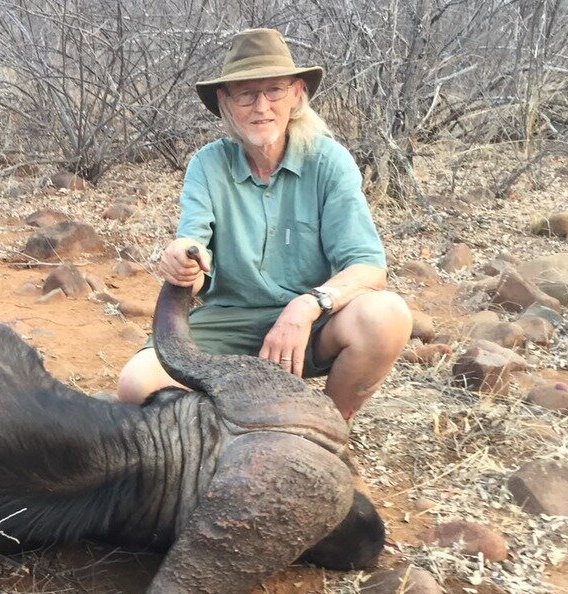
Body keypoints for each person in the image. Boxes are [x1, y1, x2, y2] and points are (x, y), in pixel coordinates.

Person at [117, 28, 412, 420]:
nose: (261, 107)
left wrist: (306, 306)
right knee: (137, 384)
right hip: (227, 323)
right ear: (225, 102)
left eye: (273, 90)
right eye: (246, 94)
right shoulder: (208, 164)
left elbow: (369, 267)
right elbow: (195, 252)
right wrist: (184, 261)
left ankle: (328, 430)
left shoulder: (329, 161)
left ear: (296, 93)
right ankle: (227, 436)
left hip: (312, 326)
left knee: (386, 316)